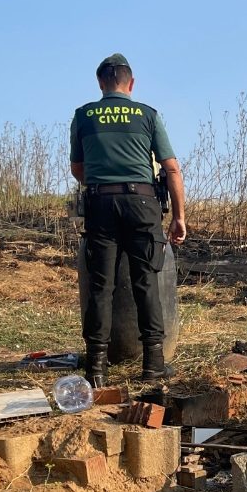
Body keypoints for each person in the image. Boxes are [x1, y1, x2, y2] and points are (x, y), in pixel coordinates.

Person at [70, 53, 186, 386]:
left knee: (100, 286)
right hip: (142, 203)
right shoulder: (147, 115)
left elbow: (79, 169)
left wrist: (103, 186)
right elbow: (171, 168)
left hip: (99, 204)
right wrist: (179, 217)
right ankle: (153, 366)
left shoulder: (84, 116)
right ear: (130, 83)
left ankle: (96, 370)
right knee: (145, 281)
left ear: (100, 83)